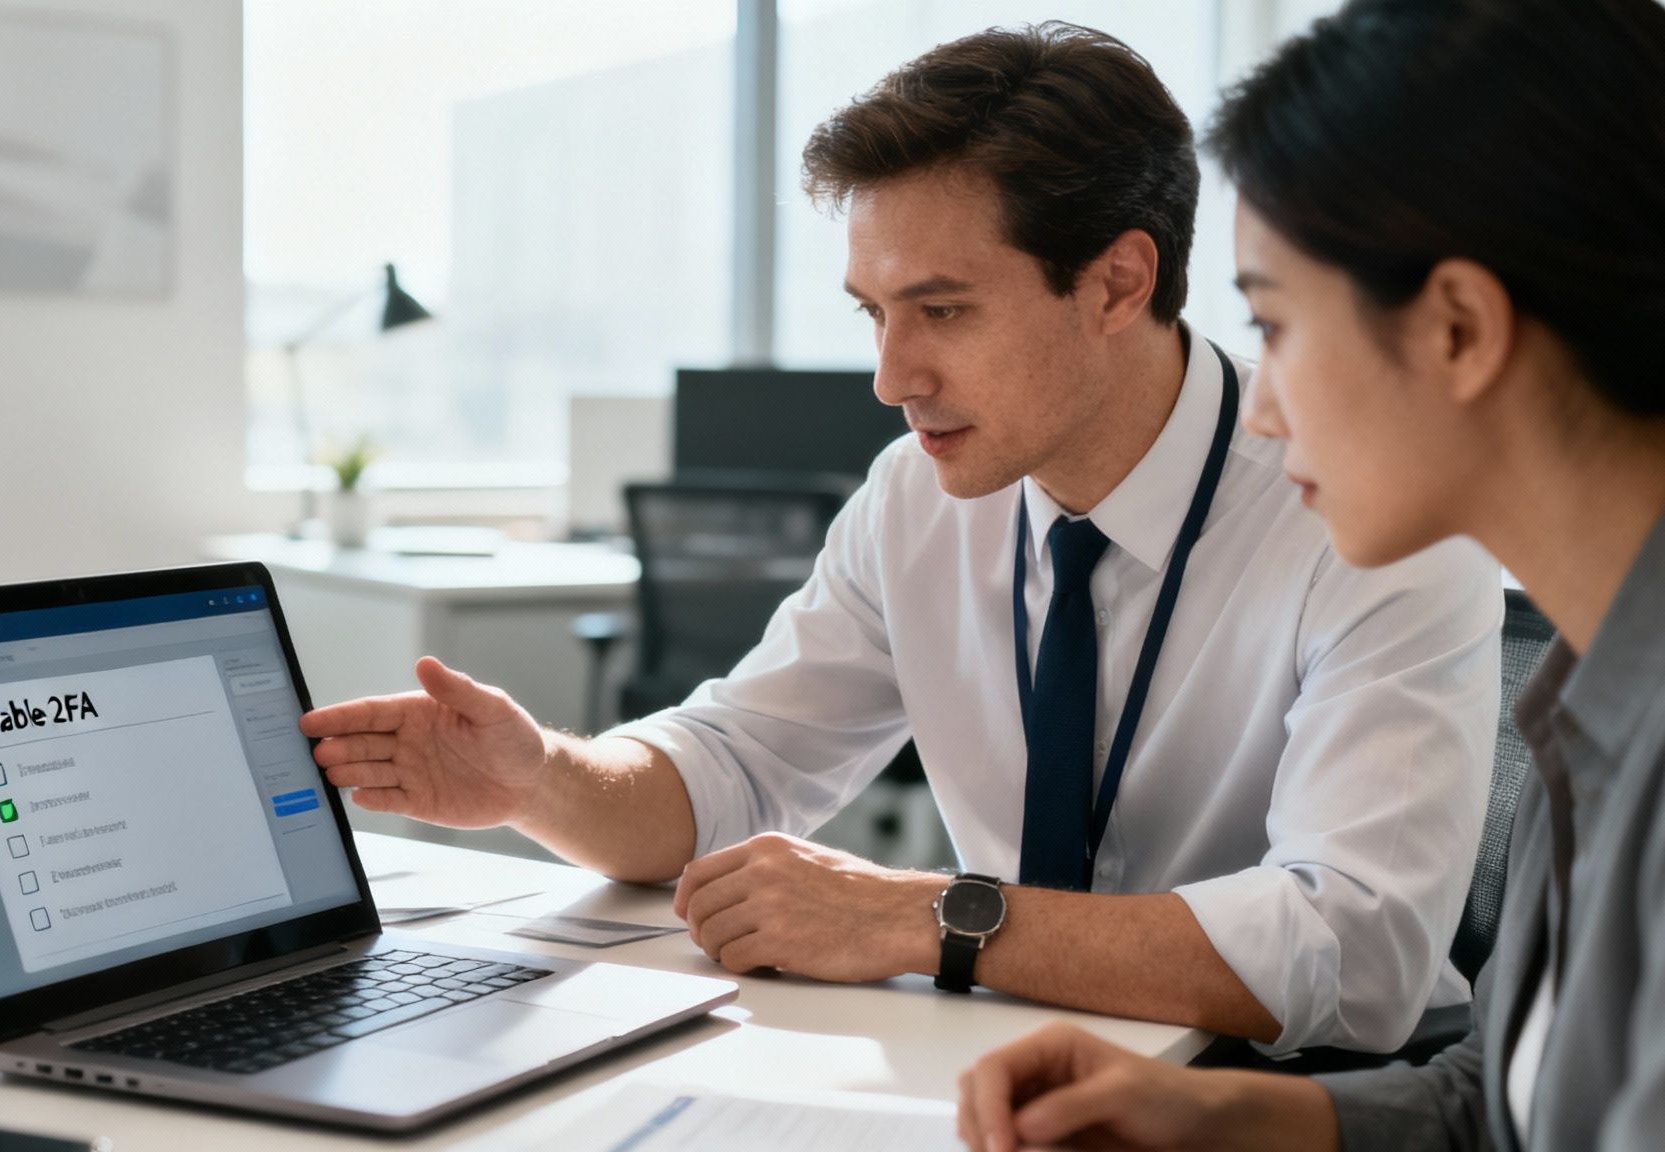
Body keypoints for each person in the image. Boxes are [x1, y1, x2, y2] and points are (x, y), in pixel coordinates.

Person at [301, 23, 1503, 1053]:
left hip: (1290, 1095)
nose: (889, 377)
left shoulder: (1370, 510)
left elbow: (1361, 954)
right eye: (874, 315)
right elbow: (733, 768)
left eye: (940, 310)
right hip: (998, 1056)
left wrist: (927, 916)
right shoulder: (915, 496)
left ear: (1115, 285)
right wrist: (542, 779)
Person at [954, 0, 1665, 1148]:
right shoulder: (1609, 665)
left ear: (1457, 328)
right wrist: (1207, 1107)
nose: (1259, 406)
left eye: (1274, 325)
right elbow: (1510, 1104)